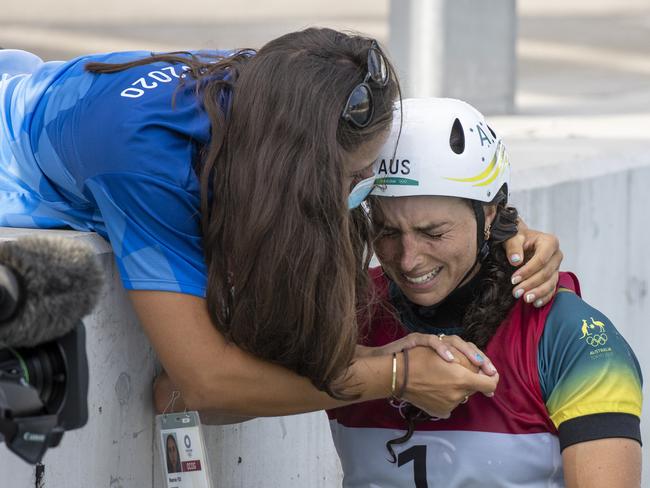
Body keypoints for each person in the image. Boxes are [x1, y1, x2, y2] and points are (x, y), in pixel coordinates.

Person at [0, 30, 561, 422]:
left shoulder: (291, 93)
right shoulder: (146, 162)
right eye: (359, 176)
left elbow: (433, 175)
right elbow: (197, 383)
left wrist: (501, 232)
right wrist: (398, 376)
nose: (371, 186)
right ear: (301, 171)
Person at [327, 98, 643, 487]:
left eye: (433, 233)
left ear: (490, 213)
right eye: (388, 232)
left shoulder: (572, 337)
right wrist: (393, 375)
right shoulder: (348, 309)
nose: (408, 260)